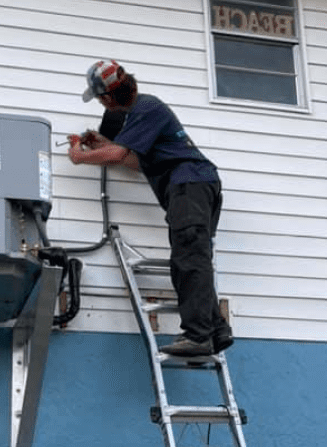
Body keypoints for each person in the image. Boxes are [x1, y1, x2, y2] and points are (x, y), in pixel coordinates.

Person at [68, 60, 233, 357]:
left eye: (100, 99)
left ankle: (198, 336)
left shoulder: (146, 108)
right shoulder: (141, 114)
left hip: (190, 185)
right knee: (192, 255)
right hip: (195, 185)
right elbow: (134, 161)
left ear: (107, 97)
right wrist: (100, 145)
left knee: (189, 259)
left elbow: (119, 154)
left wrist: (79, 157)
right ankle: (216, 330)